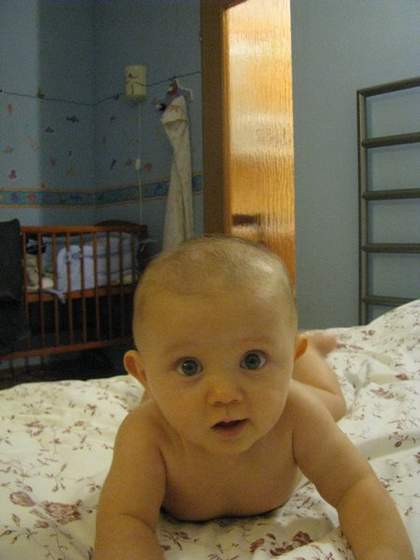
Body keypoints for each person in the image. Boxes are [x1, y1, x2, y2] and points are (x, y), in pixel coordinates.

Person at [95, 236, 414, 560]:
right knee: (157, 401)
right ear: (143, 373)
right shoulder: (147, 434)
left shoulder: (297, 414)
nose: (225, 395)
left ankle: (311, 352)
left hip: (289, 382)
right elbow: (125, 520)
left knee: (333, 403)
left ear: (289, 357)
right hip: (162, 396)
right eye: (189, 366)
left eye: (252, 360)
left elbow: (355, 487)